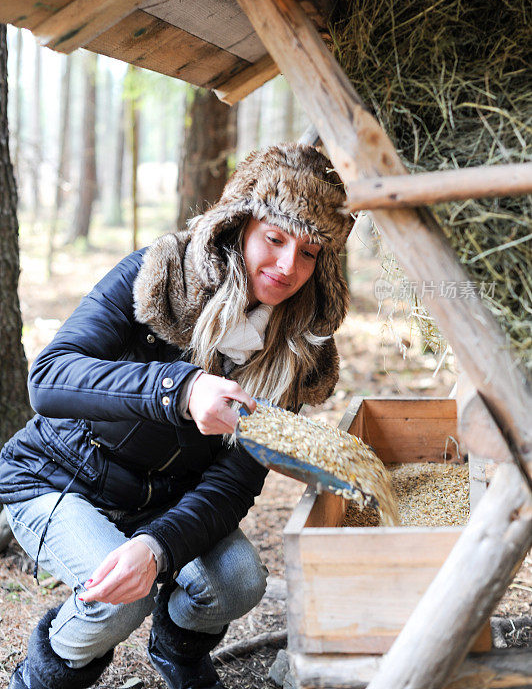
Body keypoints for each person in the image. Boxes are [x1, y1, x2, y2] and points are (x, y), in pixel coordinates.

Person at [0, 143, 353, 689]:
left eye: (308, 253)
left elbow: (237, 480)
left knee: (239, 582)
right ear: (239, 226)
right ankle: (42, 676)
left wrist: (158, 546)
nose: (288, 267)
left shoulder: (293, 347)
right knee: (119, 601)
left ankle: (178, 653)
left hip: (164, 497)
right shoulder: (159, 273)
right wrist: (179, 390)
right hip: (61, 476)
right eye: (276, 239)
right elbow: (49, 377)